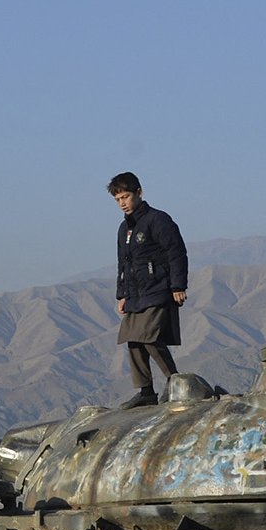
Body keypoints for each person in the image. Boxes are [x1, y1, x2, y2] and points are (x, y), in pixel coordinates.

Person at [109, 171, 187, 407]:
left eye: (126, 196)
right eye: (118, 199)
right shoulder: (124, 230)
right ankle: (146, 391)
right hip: (136, 294)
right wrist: (121, 294)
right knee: (132, 340)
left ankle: (175, 382)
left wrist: (177, 285)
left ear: (139, 193)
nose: (123, 203)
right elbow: (123, 264)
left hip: (158, 289)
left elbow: (176, 252)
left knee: (148, 336)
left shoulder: (158, 220)